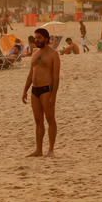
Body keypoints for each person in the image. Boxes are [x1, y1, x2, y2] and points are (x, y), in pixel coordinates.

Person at [21, 28, 61, 157]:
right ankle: (38, 150)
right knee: (38, 121)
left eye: (39, 37)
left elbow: (56, 77)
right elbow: (30, 74)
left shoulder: (53, 54)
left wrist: (53, 96)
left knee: (50, 119)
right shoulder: (34, 52)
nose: (37, 40)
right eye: (36, 37)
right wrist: (25, 90)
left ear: (46, 39)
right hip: (35, 90)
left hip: (46, 89)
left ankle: (51, 150)